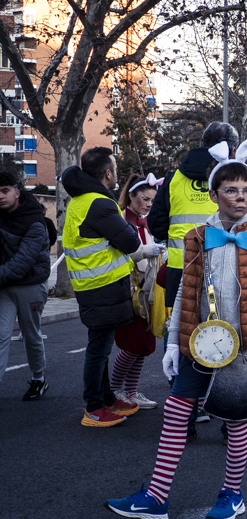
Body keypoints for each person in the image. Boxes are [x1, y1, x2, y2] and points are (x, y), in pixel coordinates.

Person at [107, 133, 247, 519]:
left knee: (236, 420)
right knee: (176, 410)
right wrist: (173, 343)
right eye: (231, 189)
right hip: (198, 340)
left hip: (245, 343)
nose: (240, 197)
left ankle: (232, 494)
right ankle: (155, 497)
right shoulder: (197, 237)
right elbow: (186, 292)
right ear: (214, 192)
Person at [61, 147, 161, 427]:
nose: (116, 173)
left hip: (93, 285)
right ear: (107, 173)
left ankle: (107, 399)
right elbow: (130, 243)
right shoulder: (100, 204)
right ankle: (94, 407)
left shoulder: (81, 200)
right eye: (115, 168)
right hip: (102, 286)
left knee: (101, 347)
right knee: (98, 349)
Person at [147, 121, 247, 311]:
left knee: (179, 329)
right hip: (227, 268)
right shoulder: (241, 177)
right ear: (234, 149)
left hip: (180, 267)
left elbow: (155, 225)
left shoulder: (173, 178)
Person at [109, 173, 164, 410]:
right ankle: (114, 390)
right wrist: (146, 251)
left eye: (152, 200)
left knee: (143, 346)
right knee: (132, 344)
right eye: (144, 198)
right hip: (128, 290)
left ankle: (131, 391)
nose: (149, 204)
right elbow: (118, 254)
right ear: (131, 196)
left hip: (148, 289)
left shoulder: (146, 221)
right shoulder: (119, 220)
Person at [0, 171, 52, 401]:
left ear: (16, 192)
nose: (0, 196)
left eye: (4, 191)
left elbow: (21, 263)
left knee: (31, 335)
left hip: (29, 285)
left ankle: (38, 379)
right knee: (0, 335)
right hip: (4, 287)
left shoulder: (34, 221)